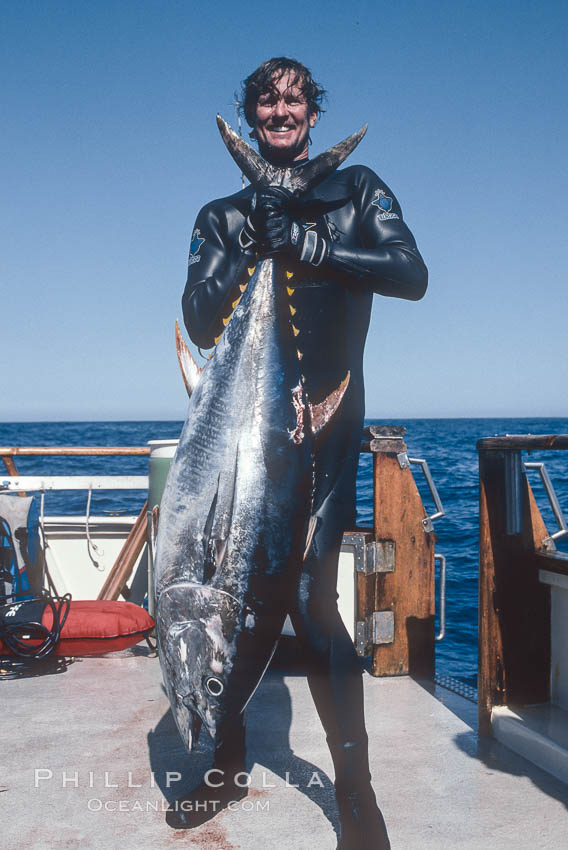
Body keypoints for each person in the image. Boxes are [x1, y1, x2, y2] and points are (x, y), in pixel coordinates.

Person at [174, 57, 427, 849]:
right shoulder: (221, 214)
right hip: (235, 436)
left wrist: (313, 243)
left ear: (312, 115)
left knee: (315, 607)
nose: (280, 112)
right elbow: (197, 311)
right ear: (250, 116)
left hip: (321, 431)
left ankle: (357, 796)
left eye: (294, 100)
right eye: (266, 101)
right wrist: (255, 235)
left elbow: (411, 275)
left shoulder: (356, 191)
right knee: (223, 602)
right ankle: (224, 762)